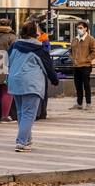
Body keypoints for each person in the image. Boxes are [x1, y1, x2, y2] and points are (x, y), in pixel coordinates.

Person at [7, 21, 58, 152]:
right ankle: (21, 142)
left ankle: (27, 140)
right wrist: (54, 80)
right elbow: (48, 66)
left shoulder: (14, 46)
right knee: (29, 114)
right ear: (35, 33)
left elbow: (9, 60)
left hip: (15, 81)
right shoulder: (39, 49)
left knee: (21, 113)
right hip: (31, 83)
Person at [69, 21, 95, 110]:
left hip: (86, 66)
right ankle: (79, 103)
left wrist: (86, 59)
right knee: (78, 85)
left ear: (86, 28)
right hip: (76, 66)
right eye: (78, 28)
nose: (79, 29)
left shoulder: (90, 39)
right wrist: (72, 58)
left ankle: (88, 103)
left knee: (86, 85)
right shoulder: (75, 39)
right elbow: (70, 51)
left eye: (81, 27)